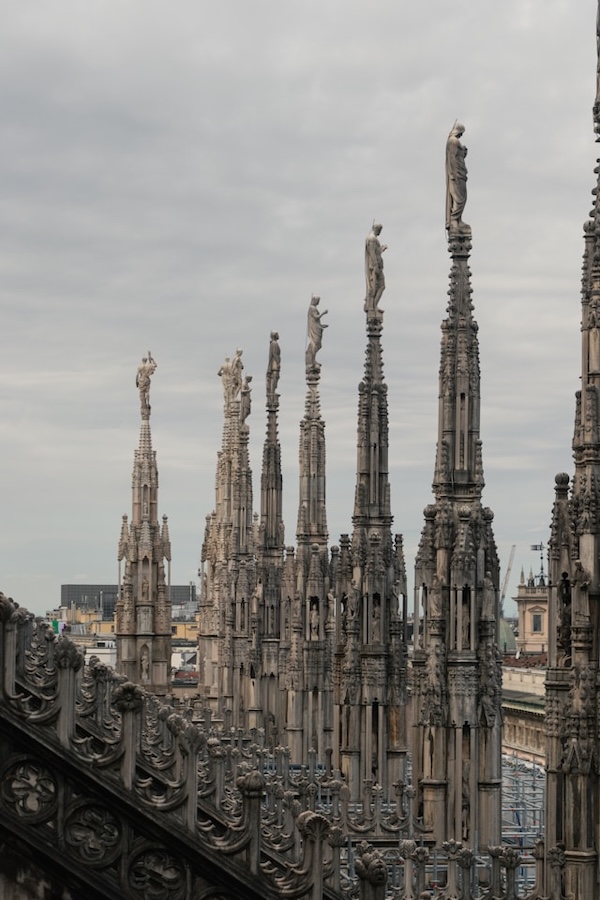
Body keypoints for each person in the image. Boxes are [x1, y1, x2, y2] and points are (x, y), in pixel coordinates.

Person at [445, 122, 470, 234]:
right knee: (459, 196)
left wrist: (463, 153)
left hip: (461, 172)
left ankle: (458, 219)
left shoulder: (455, 141)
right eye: (461, 133)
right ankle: (454, 220)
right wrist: (454, 174)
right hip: (456, 174)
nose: (461, 135)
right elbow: (452, 158)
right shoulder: (453, 141)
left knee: (463, 196)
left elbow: (457, 156)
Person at [364, 222, 387, 312]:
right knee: (379, 286)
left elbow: (375, 253)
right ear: (378, 229)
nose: (380, 232)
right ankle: (373, 306)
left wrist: (381, 249)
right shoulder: (372, 239)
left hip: (376, 266)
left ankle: (374, 305)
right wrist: (376, 266)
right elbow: (372, 253)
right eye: (380, 230)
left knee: (379, 286)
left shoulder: (372, 239)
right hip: (375, 267)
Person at [305, 295, 328, 368]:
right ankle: (311, 360)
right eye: (317, 301)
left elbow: (316, 321)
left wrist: (321, 326)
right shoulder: (312, 308)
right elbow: (316, 317)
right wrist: (323, 313)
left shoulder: (313, 308)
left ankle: (313, 359)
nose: (318, 302)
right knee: (315, 344)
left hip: (316, 327)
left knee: (318, 345)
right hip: (314, 329)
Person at [266, 331, 281, 401]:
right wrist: (278, 362)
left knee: (275, 378)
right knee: (274, 377)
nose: (279, 335)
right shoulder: (274, 343)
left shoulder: (273, 343)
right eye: (277, 334)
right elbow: (274, 354)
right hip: (274, 364)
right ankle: (272, 392)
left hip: (274, 363)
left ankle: (272, 391)